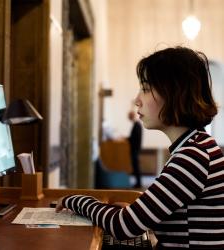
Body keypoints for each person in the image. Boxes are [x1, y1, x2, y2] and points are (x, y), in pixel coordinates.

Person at [56, 47, 224, 249]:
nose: (137, 100)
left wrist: (74, 200)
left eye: (145, 89)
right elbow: (182, 217)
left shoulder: (193, 155)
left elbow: (122, 226)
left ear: (174, 94)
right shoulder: (196, 146)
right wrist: (140, 212)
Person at [128, 110, 142, 188]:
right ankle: (138, 182)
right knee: (135, 167)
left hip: (135, 149)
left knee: (136, 167)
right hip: (135, 149)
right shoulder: (136, 124)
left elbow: (134, 138)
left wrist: (127, 139)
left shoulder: (137, 125)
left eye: (129, 116)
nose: (128, 118)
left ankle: (138, 183)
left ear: (132, 116)